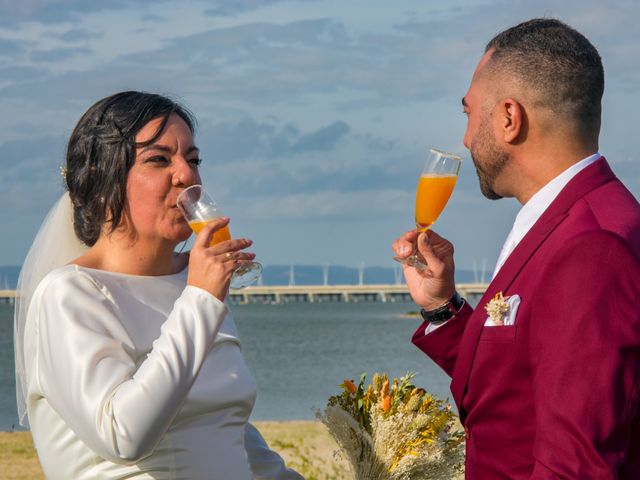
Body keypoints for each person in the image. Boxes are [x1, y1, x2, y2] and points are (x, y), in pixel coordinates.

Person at [393, 18, 640, 478]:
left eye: (468, 113)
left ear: (509, 117)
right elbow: (515, 387)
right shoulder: (570, 219)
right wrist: (442, 308)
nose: (466, 138)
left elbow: (575, 465)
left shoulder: (591, 246)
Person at [14, 91, 303, 479]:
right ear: (102, 181)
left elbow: (224, 432)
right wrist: (201, 300)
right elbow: (122, 435)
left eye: (193, 159)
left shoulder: (193, 284)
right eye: (159, 159)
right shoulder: (69, 294)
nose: (187, 175)